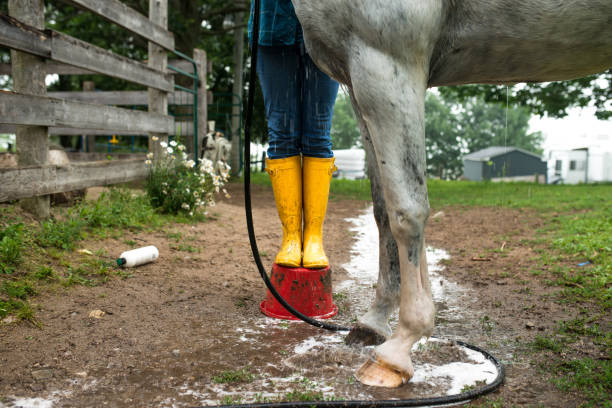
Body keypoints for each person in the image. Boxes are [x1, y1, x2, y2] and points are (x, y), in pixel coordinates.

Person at [248, 0, 339, 269]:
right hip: (272, 27)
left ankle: (313, 238)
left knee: (318, 133)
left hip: (326, 30)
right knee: (282, 132)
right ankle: (290, 237)